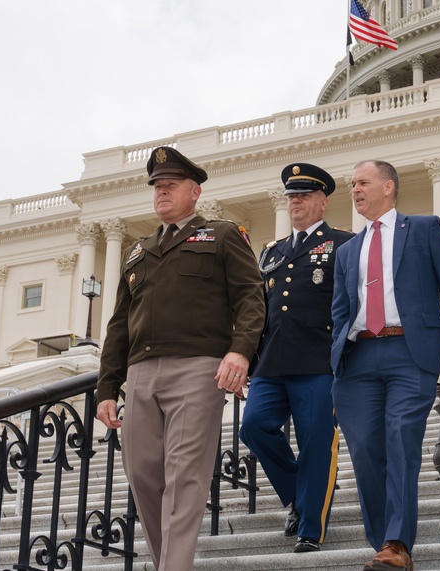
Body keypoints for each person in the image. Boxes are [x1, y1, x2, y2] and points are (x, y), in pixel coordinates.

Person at [95, 147, 266, 571]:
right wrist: (106, 387)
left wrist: (240, 350)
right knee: (144, 476)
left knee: (185, 477)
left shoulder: (224, 235)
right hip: (139, 375)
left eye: (170, 185)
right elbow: (118, 324)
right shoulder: (138, 251)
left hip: (197, 370)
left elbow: (251, 297)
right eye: (157, 186)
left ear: (195, 191)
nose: (161, 192)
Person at [330, 160, 440, 571]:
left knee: (400, 437)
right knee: (364, 451)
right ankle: (384, 544)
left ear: (388, 187)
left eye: (362, 182)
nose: (354, 190)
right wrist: (335, 360)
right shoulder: (347, 252)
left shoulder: (425, 228)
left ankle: (396, 541)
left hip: (411, 353)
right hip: (357, 359)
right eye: (351, 184)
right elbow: (341, 313)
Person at [239, 163, 352, 554]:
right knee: (253, 427)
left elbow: (352, 306)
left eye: (303, 195)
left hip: (319, 363)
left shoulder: (343, 244)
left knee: (317, 443)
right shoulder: (272, 251)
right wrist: (246, 359)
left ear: (322, 202)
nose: (296, 201)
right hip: (271, 363)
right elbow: (258, 310)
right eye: (291, 196)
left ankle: (310, 528)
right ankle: (298, 497)